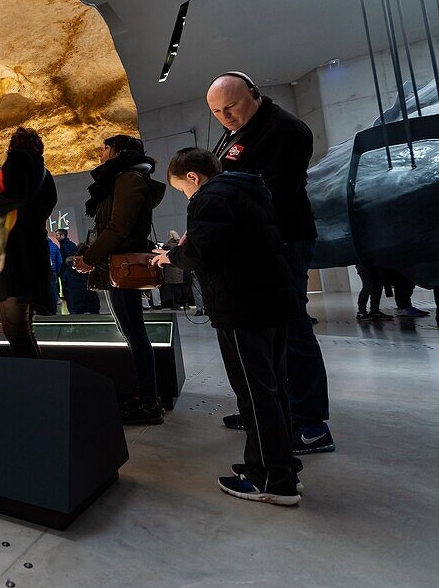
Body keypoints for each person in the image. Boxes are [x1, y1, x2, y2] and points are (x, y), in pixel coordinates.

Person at [153, 147, 302, 506]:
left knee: (254, 393)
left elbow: (204, 254)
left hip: (242, 304)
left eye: (183, 190)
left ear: (193, 177)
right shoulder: (250, 191)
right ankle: (281, 467)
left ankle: (270, 478)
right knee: (273, 388)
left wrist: (170, 255)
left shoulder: (210, 198)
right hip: (273, 300)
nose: (186, 196)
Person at [207, 71, 334, 453]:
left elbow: (274, 194)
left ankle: (310, 422)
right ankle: (272, 412)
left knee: (291, 328)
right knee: (265, 332)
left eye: (231, 106)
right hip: (252, 243)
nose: (225, 116)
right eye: (217, 111)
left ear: (254, 94)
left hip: (282, 240)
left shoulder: (285, 131)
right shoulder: (237, 133)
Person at [72, 134, 166, 425]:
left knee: (135, 335)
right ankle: (145, 396)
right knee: (132, 334)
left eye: (104, 148)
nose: (100, 153)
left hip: (121, 267)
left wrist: (89, 258)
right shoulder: (121, 179)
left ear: (117, 151)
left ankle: (149, 402)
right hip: (113, 264)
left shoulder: (129, 179)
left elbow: (118, 228)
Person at [0, 127, 57, 359]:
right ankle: (38, 386)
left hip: (17, 256)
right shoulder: (43, 172)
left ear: (13, 146)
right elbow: (25, 198)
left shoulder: (20, 160)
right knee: (23, 330)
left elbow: (17, 197)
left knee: (16, 331)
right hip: (31, 254)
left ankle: (36, 388)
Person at [47, 232, 63, 315]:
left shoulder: (35, 246)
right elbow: (59, 261)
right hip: (52, 271)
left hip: (42, 273)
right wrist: (56, 271)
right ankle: (54, 309)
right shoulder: (54, 246)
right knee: (53, 289)